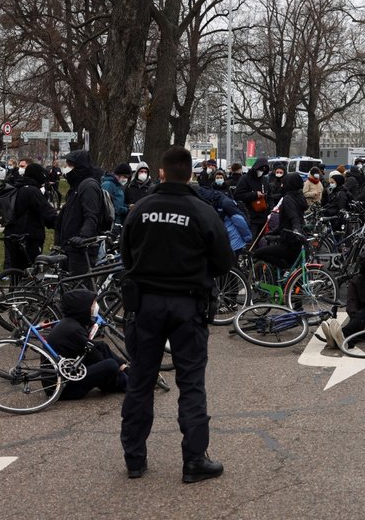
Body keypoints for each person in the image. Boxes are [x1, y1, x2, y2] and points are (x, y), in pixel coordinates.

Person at [120, 146, 235, 483]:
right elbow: (224, 262)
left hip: (146, 306)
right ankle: (195, 460)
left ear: (160, 172)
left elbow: (127, 255)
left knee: (140, 382)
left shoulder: (140, 209)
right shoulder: (202, 211)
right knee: (191, 383)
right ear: (191, 174)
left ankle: (135, 460)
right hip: (188, 305)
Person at [46, 289, 129, 400]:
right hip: (64, 388)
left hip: (67, 374)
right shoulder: (74, 330)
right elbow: (96, 357)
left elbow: (93, 350)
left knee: (101, 346)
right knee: (110, 365)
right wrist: (118, 371)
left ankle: (129, 372)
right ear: (82, 307)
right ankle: (129, 384)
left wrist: (123, 367)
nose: (95, 307)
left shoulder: (70, 323)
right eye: (93, 304)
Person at [55, 150, 105, 278]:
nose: (66, 168)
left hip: (81, 250)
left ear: (79, 167)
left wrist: (83, 238)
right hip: (70, 247)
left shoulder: (88, 186)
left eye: (69, 165)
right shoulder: (76, 187)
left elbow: (91, 216)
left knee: (79, 289)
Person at [3, 163, 58, 270]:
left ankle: (16, 286)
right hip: (29, 237)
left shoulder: (18, 187)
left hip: (13, 235)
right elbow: (47, 212)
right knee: (31, 270)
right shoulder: (32, 191)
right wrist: (61, 224)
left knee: (17, 270)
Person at [251, 173, 308, 270]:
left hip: (289, 242)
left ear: (289, 184)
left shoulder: (287, 199)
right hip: (297, 242)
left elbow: (294, 218)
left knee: (258, 253)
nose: (282, 185)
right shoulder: (300, 197)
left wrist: (296, 229)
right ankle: (288, 272)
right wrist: (274, 231)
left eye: (283, 183)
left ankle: (287, 269)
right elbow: (287, 222)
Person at [233, 158, 271, 237]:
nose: (261, 171)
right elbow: (237, 195)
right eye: (260, 169)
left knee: (261, 240)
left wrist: (270, 208)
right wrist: (254, 195)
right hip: (250, 216)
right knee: (251, 240)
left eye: (264, 170)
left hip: (263, 216)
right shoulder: (245, 179)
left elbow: (269, 196)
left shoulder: (264, 180)